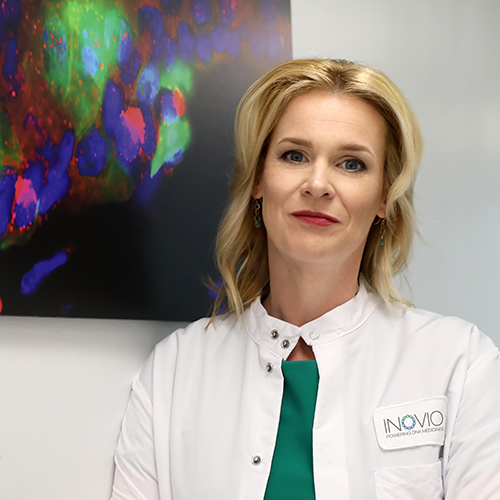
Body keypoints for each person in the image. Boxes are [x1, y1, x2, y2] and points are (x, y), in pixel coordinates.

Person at [110, 59, 500, 500]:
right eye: (294, 155)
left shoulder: (461, 364)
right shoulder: (174, 371)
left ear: (384, 199)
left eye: (351, 164)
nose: (318, 183)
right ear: (258, 180)